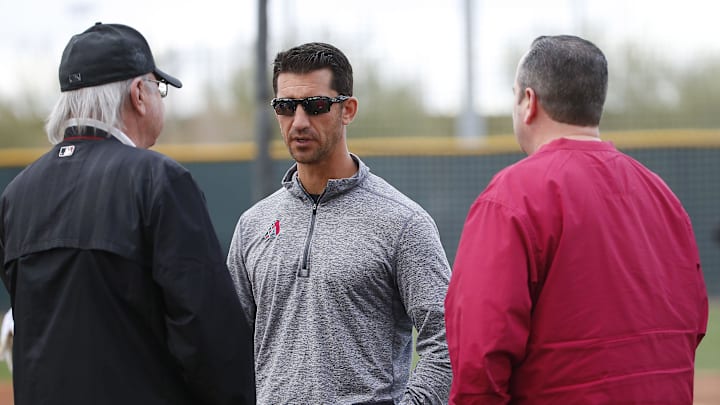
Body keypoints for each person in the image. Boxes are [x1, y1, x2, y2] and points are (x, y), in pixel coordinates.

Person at [445, 35, 709, 404]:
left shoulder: (512, 195)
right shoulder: (664, 196)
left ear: (529, 102)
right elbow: (693, 324)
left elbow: (479, 354)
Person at [0, 23, 255, 404]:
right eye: (159, 87)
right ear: (139, 94)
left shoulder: (17, 193)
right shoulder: (158, 180)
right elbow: (208, 335)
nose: (160, 98)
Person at [227, 42, 452, 404]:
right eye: (286, 107)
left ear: (348, 110)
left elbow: (448, 341)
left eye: (316, 106)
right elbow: (228, 346)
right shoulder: (254, 225)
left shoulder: (403, 223)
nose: (299, 121)